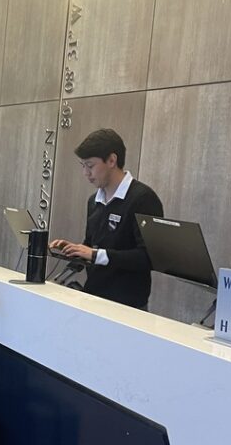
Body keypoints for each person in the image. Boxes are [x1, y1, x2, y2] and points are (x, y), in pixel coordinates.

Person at [50, 128, 163, 310]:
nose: (86, 173)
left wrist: (96, 254)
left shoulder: (143, 199)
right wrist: (74, 250)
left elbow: (149, 257)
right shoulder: (94, 201)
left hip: (128, 307)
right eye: (83, 166)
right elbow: (91, 245)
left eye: (90, 165)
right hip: (93, 299)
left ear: (112, 160)